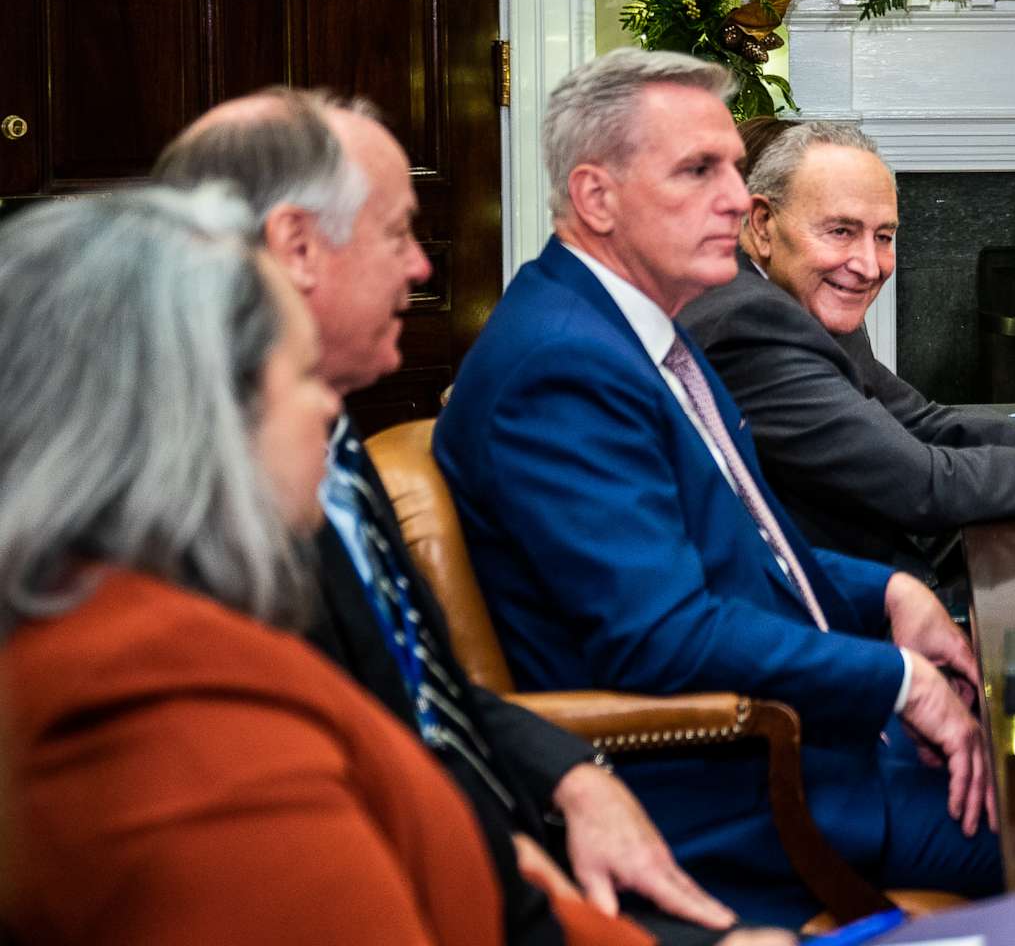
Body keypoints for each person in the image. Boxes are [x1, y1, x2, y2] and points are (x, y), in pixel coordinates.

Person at [0, 188, 787, 945]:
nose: (329, 413)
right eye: (302, 376)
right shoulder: (153, 695)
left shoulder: (164, 631)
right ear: (193, 419)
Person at [154, 89, 738, 946]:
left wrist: (573, 774)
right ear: (298, 247)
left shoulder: (330, 434)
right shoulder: (205, 501)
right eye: (396, 233)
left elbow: (425, 685)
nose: (422, 266)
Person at [436, 50, 1001, 928]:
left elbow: (743, 549)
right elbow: (662, 637)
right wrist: (898, 681)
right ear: (596, 197)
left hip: (822, 743)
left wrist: (887, 589)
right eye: (699, 171)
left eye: (733, 169)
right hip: (743, 797)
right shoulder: (561, 368)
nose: (739, 201)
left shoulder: (638, 327)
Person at [676, 121, 1015, 570]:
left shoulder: (798, 294)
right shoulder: (751, 321)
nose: (869, 266)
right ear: (762, 224)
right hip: (840, 612)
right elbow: (921, 484)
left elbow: (919, 420)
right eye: (840, 231)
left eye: (884, 237)